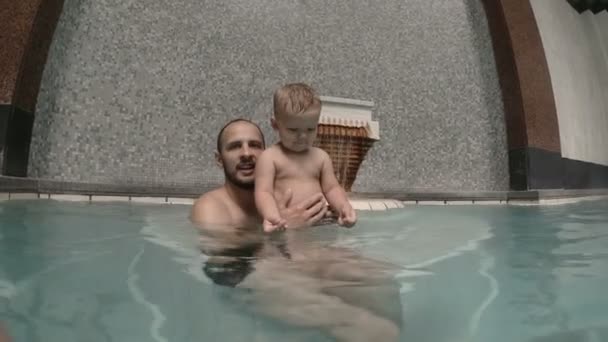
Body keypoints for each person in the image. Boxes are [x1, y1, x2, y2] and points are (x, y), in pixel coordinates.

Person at [190, 118, 402, 342]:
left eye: (254, 145)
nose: (246, 153)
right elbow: (222, 265)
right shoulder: (211, 207)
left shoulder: (281, 192)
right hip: (250, 279)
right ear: (218, 159)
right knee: (359, 323)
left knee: (379, 280)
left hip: (295, 262)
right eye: (235, 146)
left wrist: (332, 216)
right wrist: (284, 228)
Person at [254, 83, 356, 232]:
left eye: (310, 129)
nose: (302, 136)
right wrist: (272, 217)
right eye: (293, 129)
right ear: (275, 125)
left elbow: (332, 188)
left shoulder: (321, 157)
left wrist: (344, 207)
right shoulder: (270, 158)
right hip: (287, 227)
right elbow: (263, 192)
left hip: (320, 226)